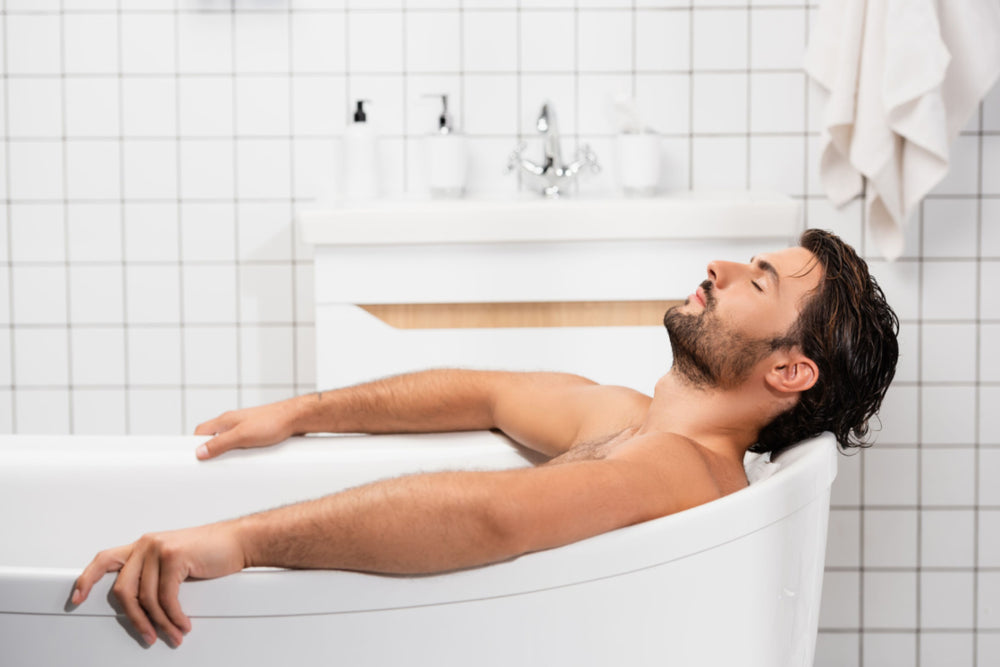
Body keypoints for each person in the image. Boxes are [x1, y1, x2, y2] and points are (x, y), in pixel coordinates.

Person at [72, 228, 899, 648]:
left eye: (757, 280)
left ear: (791, 371)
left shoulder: (680, 473)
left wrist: (241, 541)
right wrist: (299, 413)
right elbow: (488, 394)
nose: (719, 269)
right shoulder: (629, 422)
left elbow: (493, 517)